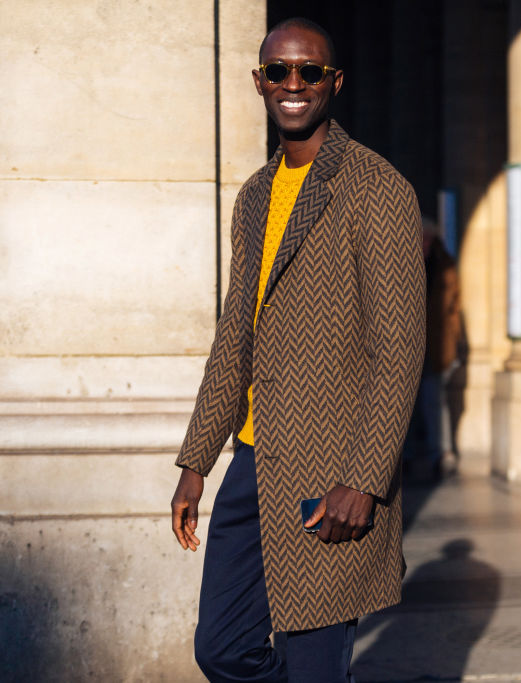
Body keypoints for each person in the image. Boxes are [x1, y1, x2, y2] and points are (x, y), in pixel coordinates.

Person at [169, 17, 425, 683]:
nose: (293, 83)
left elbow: (398, 349)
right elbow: (235, 338)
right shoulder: (254, 196)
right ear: (258, 82)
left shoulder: (377, 189)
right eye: (279, 71)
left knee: (313, 665)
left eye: (309, 71)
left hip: (332, 470)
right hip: (254, 466)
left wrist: (364, 478)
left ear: (333, 82)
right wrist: (198, 459)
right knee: (222, 647)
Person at [403, 218, 463, 480]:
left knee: (433, 402)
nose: (425, 243)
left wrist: (454, 342)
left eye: (429, 238)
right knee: (405, 405)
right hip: (405, 348)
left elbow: (454, 308)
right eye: (422, 238)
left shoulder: (444, 265)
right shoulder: (401, 259)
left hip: (435, 347)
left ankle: (437, 453)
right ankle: (404, 457)